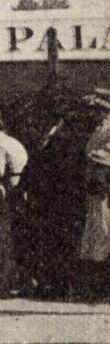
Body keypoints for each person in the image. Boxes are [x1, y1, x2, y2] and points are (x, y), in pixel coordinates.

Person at [23, 96, 104, 299]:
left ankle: (61, 286)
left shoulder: (66, 138)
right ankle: (61, 286)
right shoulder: (68, 137)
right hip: (60, 197)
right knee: (63, 242)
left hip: (63, 196)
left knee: (65, 242)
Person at [0, 110, 29, 297]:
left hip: (9, 191)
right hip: (22, 190)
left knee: (5, 238)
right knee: (17, 237)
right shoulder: (15, 142)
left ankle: (2, 285)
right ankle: (19, 282)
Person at [78, 88, 110, 299]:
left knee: (104, 232)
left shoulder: (108, 129)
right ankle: (97, 286)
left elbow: (104, 154)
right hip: (96, 188)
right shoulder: (100, 128)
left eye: (98, 109)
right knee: (97, 233)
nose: (94, 114)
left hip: (105, 187)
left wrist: (94, 159)